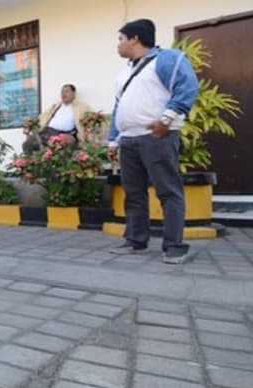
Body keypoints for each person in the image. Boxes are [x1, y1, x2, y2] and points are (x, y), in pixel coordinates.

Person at [107, 19, 199, 264]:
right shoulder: (124, 72)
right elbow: (119, 107)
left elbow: (187, 86)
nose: (118, 45)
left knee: (168, 191)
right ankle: (136, 241)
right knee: (134, 193)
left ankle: (174, 246)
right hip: (129, 140)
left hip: (157, 135)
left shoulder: (167, 59)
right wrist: (113, 140)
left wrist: (167, 119)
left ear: (134, 38)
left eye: (120, 39)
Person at [22, 84, 91, 153]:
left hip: (66, 134)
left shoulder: (81, 107)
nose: (64, 94)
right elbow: (42, 117)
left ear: (74, 93)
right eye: (62, 92)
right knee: (27, 145)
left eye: (67, 91)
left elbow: (91, 119)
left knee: (60, 146)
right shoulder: (56, 106)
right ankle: (33, 162)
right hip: (47, 132)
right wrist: (30, 124)